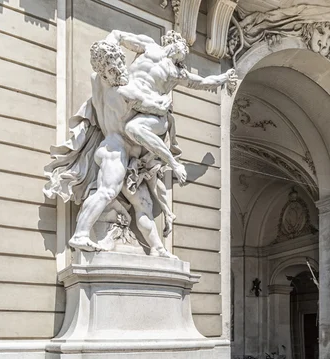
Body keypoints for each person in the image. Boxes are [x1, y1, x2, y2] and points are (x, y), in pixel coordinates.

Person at [44, 30, 237, 256]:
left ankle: (157, 248)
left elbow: (203, 81)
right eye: (181, 45)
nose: (184, 51)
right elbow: (116, 35)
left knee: (143, 204)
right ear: (171, 42)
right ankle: (81, 234)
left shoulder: (176, 73)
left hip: (131, 154)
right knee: (107, 191)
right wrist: (107, 52)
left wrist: (225, 78)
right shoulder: (138, 66)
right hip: (116, 148)